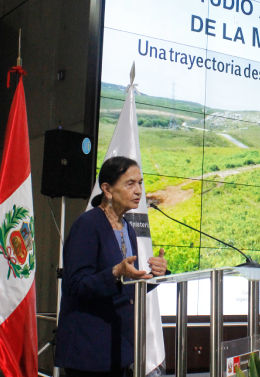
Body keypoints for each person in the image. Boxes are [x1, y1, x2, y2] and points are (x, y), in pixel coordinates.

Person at [54, 156, 169, 377]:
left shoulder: (128, 228)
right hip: (89, 352)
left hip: (118, 348)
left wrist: (156, 274)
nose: (138, 191)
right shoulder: (87, 226)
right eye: (130, 183)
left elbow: (125, 286)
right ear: (107, 189)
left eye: (140, 184)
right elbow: (76, 287)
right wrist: (116, 272)